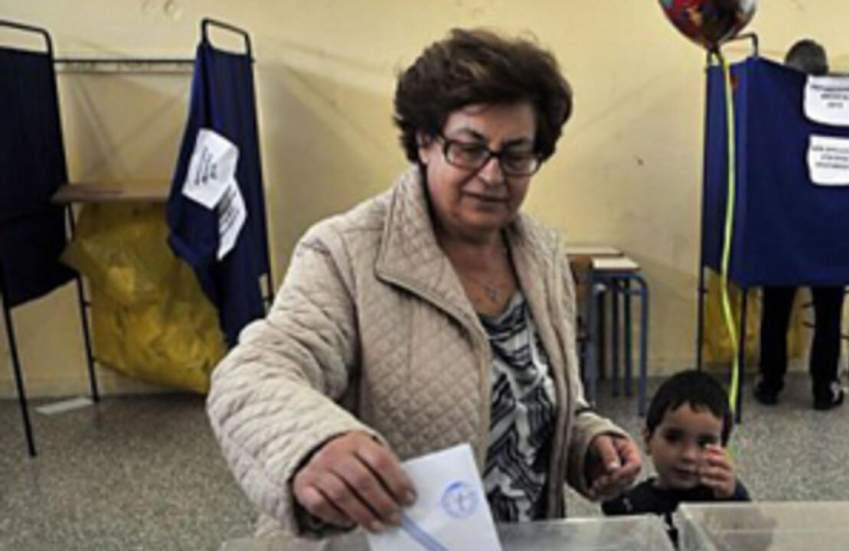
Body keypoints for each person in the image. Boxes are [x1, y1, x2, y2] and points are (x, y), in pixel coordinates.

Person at [206, 28, 642, 539]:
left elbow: (534, 395)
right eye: (469, 147)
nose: (492, 174)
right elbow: (256, 371)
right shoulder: (345, 252)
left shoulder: (542, 256)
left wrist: (587, 442)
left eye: (516, 154)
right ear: (425, 142)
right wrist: (311, 442)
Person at [753, 38, 846, 411]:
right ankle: (824, 387)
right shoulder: (841, 112)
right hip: (831, 229)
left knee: (776, 311)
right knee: (828, 315)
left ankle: (770, 383)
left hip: (783, 230)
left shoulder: (773, 113)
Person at [602, 370, 749, 543]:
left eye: (704, 443)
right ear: (648, 439)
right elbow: (613, 535)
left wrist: (734, 498)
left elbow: (757, 542)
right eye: (673, 438)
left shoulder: (723, 498)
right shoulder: (636, 502)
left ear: (722, 449)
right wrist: (612, 487)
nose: (688, 455)